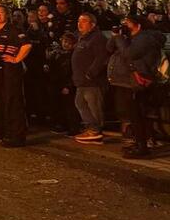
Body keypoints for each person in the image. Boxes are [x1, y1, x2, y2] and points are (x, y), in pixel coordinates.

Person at [110, 13, 165, 159]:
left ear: (138, 25)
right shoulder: (137, 38)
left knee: (137, 113)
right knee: (135, 113)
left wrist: (119, 38)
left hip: (140, 79)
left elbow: (129, 54)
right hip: (134, 79)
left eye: (128, 23)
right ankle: (140, 142)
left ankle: (142, 146)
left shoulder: (144, 39)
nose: (125, 25)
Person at [0, 5, 31, 147]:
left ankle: (16, 136)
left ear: (7, 15)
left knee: (12, 103)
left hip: (8, 72)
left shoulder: (14, 30)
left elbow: (26, 45)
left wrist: (16, 59)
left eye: (1, 12)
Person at [70, 12, 110, 143]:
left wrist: (91, 73)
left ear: (92, 24)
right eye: (78, 21)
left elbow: (101, 58)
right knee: (80, 103)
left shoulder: (97, 38)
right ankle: (91, 127)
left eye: (84, 21)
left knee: (93, 106)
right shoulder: (83, 38)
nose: (80, 24)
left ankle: (96, 130)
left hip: (92, 81)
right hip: (81, 80)